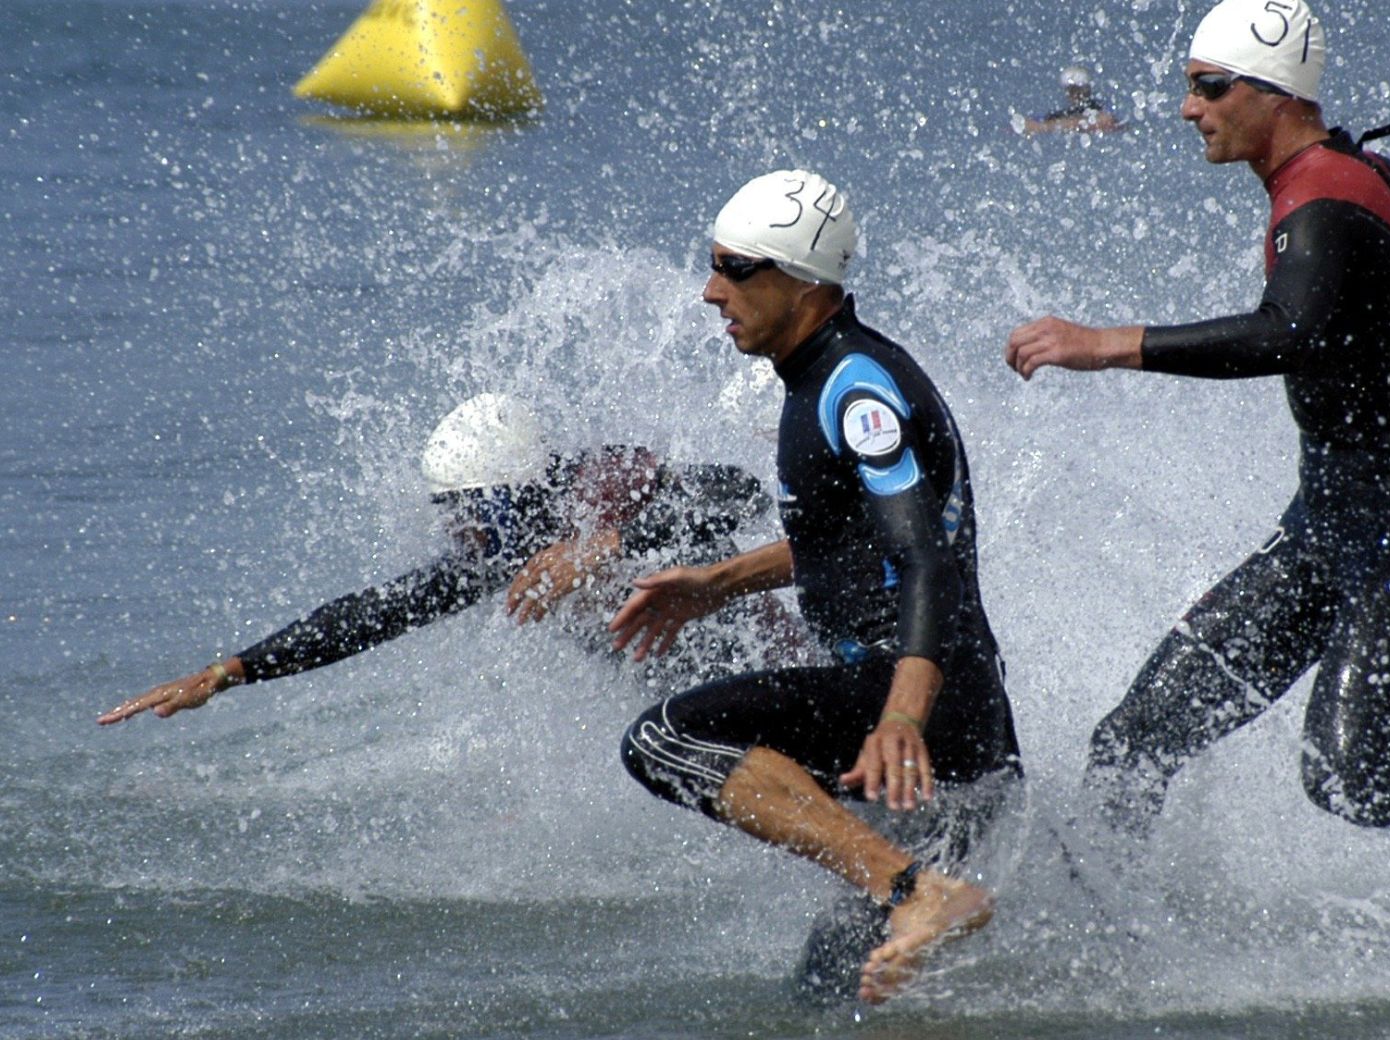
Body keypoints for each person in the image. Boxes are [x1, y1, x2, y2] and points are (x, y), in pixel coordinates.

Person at [1004, 0, 1390, 889]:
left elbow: (1287, 332)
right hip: (1324, 527)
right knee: (1134, 738)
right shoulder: (1346, 175)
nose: (1190, 109)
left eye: (1208, 88)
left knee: (1350, 776)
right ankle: (1109, 941)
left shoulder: (1327, 201)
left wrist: (1105, 343)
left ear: (1274, 94)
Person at [608, 170, 1021, 1004]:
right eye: (712, 264)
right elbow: (849, 537)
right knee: (831, 996)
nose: (709, 290)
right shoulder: (823, 374)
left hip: (915, 710)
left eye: (735, 268)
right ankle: (916, 893)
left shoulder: (853, 388)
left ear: (801, 282)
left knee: (663, 741)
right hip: (952, 726)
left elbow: (925, 558)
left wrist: (902, 716)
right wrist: (720, 582)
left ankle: (915, 892)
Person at [98, 393, 779, 724]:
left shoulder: (604, 488)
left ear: (524, 489)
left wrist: (602, 546)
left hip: (763, 663)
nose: (463, 528)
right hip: (683, 691)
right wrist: (231, 670)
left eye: (475, 507)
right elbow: (377, 613)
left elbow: (739, 491)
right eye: (451, 510)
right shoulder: (503, 550)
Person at [1021, 64, 1124, 134]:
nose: (1075, 94)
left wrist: (1047, 127)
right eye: (1071, 90)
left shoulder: (1099, 108)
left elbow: (1106, 121)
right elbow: (1030, 123)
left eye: (1077, 89)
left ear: (1087, 89)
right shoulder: (1065, 113)